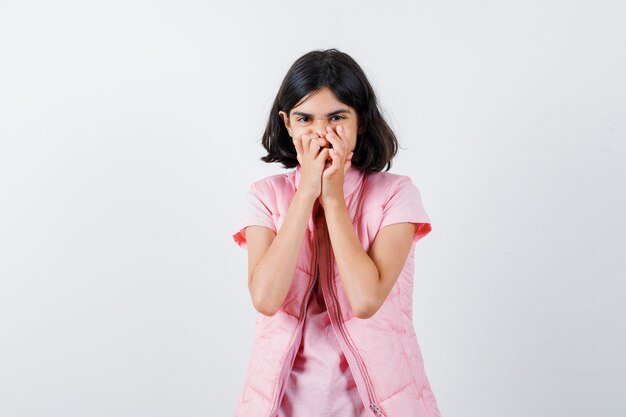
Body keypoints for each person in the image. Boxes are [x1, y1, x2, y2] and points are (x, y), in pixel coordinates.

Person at [232, 49, 442, 417]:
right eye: (305, 118)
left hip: (378, 405)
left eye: (337, 117)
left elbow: (365, 300)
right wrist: (305, 193)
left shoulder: (396, 194)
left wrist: (333, 199)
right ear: (287, 123)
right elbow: (266, 298)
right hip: (281, 405)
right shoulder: (265, 196)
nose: (321, 132)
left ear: (361, 121)